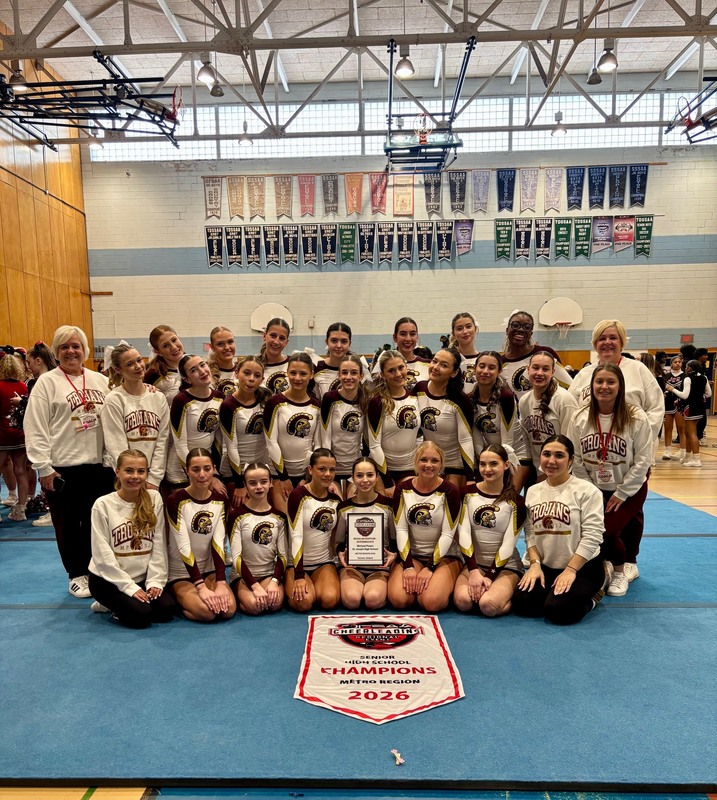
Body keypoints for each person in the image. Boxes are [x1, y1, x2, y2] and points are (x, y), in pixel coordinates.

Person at [24, 326, 115, 598]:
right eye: (64, 346)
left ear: (85, 349)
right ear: (56, 351)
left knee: (95, 523)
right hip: (62, 468)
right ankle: (76, 573)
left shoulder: (101, 381)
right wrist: (43, 466)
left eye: (76, 345)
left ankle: (96, 568)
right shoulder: (47, 383)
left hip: (99, 466)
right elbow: (35, 427)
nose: (71, 351)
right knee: (67, 523)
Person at [569, 363, 652, 595]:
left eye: (610, 382)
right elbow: (575, 457)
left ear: (620, 386)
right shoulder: (579, 417)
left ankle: (621, 571)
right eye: (599, 382)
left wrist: (622, 492)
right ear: (592, 385)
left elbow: (643, 460)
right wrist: (590, 489)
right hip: (592, 486)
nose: (604, 387)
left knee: (609, 530)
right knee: (590, 528)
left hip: (628, 487)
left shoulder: (636, 417)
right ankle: (607, 563)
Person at [512, 435, 606, 625]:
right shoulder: (533, 491)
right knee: (522, 605)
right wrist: (535, 564)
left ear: (570, 460)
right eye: (546, 454)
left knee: (559, 611)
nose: (551, 461)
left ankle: (595, 594)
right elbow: (529, 534)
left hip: (582, 567)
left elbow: (593, 536)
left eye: (559, 455)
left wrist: (571, 570)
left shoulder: (587, 491)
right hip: (547, 566)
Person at [88, 449, 175, 627]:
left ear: (147, 473)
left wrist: (155, 581)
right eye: (129, 471)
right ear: (117, 471)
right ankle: (107, 603)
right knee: (141, 617)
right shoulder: (103, 505)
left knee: (166, 611)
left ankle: (126, 601)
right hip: (108, 579)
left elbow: (158, 544)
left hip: (141, 577)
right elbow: (102, 556)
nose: (135, 476)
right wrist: (129, 587)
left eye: (141, 471)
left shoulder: (154, 498)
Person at [388, 442, 462, 612]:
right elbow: (401, 530)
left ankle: (441, 585)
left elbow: (447, 534)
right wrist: (408, 566)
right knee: (399, 600)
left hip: (444, 556)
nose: (428, 465)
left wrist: (429, 567)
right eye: (423, 460)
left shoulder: (450, 490)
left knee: (431, 602)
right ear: (415, 462)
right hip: (413, 555)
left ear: (441, 465)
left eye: (434, 461)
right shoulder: (403, 489)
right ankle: (421, 587)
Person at [454, 445, 526, 617]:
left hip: (505, 567)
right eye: (483, 464)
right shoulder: (466, 494)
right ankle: (490, 589)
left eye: (494, 464)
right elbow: (463, 534)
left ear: (506, 465)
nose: (487, 469)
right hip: (474, 565)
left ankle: (511, 596)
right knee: (463, 602)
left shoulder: (517, 501)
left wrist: (489, 577)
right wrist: (473, 571)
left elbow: (508, 545)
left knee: (488, 606)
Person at [165, 447, 236, 622]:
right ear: (186, 471)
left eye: (206, 469)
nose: (202, 475)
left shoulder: (220, 500)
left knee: (228, 610)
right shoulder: (176, 500)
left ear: (213, 469)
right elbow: (183, 545)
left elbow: (219, 543)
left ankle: (199, 596)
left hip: (208, 570)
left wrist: (221, 582)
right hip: (181, 573)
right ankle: (179, 600)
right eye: (196, 470)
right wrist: (200, 586)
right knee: (207, 612)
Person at [569, 320, 663, 442]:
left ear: (622, 342)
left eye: (613, 338)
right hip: (590, 446)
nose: (607, 342)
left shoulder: (638, 369)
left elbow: (656, 408)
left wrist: (641, 441)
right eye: (602, 338)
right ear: (595, 344)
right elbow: (572, 412)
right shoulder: (583, 374)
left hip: (628, 448)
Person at [102, 343, 170, 491]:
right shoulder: (114, 399)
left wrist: (154, 478)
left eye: (139, 360)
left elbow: (162, 440)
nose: (138, 366)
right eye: (130, 364)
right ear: (118, 369)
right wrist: (131, 476)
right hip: (126, 478)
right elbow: (116, 443)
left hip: (152, 477)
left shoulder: (158, 397)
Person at [334, 457, 397, 609]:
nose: (365, 480)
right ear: (353, 478)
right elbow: (339, 541)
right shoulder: (344, 507)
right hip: (352, 567)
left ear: (377, 477)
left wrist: (394, 555)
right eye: (359, 475)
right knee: (352, 600)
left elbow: (395, 540)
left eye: (370, 475)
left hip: (380, 567)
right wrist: (340, 553)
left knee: (373, 600)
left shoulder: (388, 506)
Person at [285, 448, 341, 612]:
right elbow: (296, 537)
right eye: (322, 469)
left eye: (332, 470)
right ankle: (289, 584)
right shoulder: (298, 495)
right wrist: (299, 575)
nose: (327, 474)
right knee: (304, 603)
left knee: (330, 600)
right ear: (310, 470)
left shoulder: (335, 500)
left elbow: (334, 536)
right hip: (296, 565)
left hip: (323, 562)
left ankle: (318, 584)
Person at [264, 352, 321, 512]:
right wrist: (284, 478)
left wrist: (307, 477)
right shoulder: (275, 403)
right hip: (280, 475)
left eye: (303, 373)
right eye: (293, 373)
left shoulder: (316, 405)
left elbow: (317, 443)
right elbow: (271, 442)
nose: (297, 378)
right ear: (286, 373)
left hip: (307, 475)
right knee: (285, 522)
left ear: (311, 375)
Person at [228, 463, 287, 615]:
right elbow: (236, 557)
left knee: (274, 603)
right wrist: (254, 586)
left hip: (268, 573)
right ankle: (240, 595)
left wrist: (274, 582)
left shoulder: (279, 517)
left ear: (270, 483)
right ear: (245, 486)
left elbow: (283, 555)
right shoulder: (237, 516)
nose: (259, 487)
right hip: (243, 575)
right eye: (252, 483)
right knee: (255, 606)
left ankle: (255, 595)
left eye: (263, 482)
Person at [415, 347, 475, 488]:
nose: (436, 367)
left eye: (444, 365)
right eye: (434, 361)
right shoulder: (419, 389)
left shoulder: (460, 400)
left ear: (454, 373)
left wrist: (470, 477)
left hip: (455, 465)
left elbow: (466, 439)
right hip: (429, 464)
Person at [471, 351, 530, 489]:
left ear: (499, 372)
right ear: (475, 369)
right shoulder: (471, 399)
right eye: (481, 366)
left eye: (491, 368)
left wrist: (498, 465)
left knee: (509, 496)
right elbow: (476, 436)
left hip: (515, 452)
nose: (485, 371)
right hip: (492, 455)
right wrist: (484, 462)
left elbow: (507, 440)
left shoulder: (505, 397)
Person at [166, 355, 225, 494]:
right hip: (181, 467)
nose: (202, 371)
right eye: (193, 370)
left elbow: (218, 439)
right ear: (187, 379)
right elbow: (180, 445)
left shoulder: (219, 397)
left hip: (205, 465)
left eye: (202, 365)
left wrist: (213, 473)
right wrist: (197, 473)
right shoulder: (181, 401)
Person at [219, 355, 272, 508]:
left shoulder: (266, 397)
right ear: (236, 373)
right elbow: (231, 447)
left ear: (262, 379)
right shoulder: (228, 405)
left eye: (257, 376)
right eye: (246, 373)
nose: (251, 379)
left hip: (261, 469)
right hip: (236, 472)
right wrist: (240, 484)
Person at [367, 349, 420, 494]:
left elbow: (420, 436)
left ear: (406, 367)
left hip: (410, 469)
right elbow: (374, 445)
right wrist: (387, 481)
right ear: (383, 375)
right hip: (384, 472)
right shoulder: (377, 402)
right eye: (391, 371)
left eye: (401, 368)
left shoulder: (416, 397)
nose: (398, 374)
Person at [518, 351, 579, 473]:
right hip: (538, 470)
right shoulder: (524, 401)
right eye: (535, 368)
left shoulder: (564, 400)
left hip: (562, 471)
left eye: (545, 369)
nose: (539, 373)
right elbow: (527, 442)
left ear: (553, 372)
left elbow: (571, 445)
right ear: (528, 369)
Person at [319, 354, 369, 488]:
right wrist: (328, 469)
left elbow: (368, 440)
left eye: (354, 373)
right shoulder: (330, 399)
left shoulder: (365, 400)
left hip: (355, 466)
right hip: (333, 467)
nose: (348, 377)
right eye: (344, 373)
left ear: (361, 376)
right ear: (338, 375)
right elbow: (325, 437)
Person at [500, 310, 572, 399]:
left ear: (531, 333)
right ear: (507, 330)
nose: (521, 329)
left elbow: (571, 387)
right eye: (515, 325)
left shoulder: (546, 353)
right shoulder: (501, 363)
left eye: (527, 327)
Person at [25, 341, 58, 525]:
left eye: (29, 362)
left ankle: (51, 511)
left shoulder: (44, 382)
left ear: (38, 360)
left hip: (51, 437)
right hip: (49, 436)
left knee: (49, 473)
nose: (28, 367)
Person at [0, 352, 29, 520]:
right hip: (19, 433)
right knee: (20, 471)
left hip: (2, 434)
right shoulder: (22, 386)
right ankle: (21, 510)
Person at [666, 359, 711, 468]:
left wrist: (672, 389)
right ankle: (687, 456)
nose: (685, 368)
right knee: (687, 432)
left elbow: (684, 395)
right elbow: (708, 394)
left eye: (686, 366)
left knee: (691, 434)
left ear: (690, 368)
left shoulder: (687, 378)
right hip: (700, 408)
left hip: (690, 408)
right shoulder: (704, 377)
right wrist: (699, 398)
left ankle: (696, 459)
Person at [372, 317, 430, 391]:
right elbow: (373, 392)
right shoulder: (383, 363)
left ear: (417, 337)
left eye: (412, 334)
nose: (408, 339)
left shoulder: (428, 365)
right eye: (403, 334)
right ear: (395, 337)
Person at [145, 325, 185, 404]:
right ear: (158, 352)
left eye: (174, 340)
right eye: (165, 346)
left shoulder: (192, 363)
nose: (173, 347)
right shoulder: (153, 374)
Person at [449, 312, 481, 397]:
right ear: (453, 333)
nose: (465, 331)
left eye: (468, 326)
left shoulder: (483, 360)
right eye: (459, 329)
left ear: (475, 329)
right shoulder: (449, 360)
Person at [258, 317, 291, 394]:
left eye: (282, 338)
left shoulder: (292, 364)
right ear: (264, 336)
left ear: (286, 342)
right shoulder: (253, 364)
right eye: (273, 336)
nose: (276, 341)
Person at [661, 355, 686, 461]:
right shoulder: (666, 376)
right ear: (671, 364)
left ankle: (683, 451)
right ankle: (667, 451)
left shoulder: (685, 376)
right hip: (667, 404)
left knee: (681, 428)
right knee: (667, 428)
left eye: (679, 362)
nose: (677, 363)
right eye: (675, 362)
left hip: (680, 404)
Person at [207, 326, 238, 397]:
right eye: (220, 344)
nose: (227, 347)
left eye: (230, 342)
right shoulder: (207, 375)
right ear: (212, 347)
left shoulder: (244, 371)